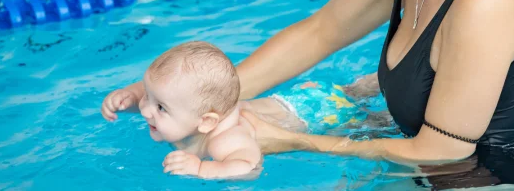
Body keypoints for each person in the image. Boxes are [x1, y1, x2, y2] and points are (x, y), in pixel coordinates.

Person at [234, 0, 514, 187]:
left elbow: (444, 150)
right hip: (416, 167)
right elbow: (319, 32)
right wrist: (213, 96)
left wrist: (289, 141)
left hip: (492, 182)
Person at [99, 41, 385, 178]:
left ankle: (383, 81)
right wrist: (128, 97)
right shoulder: (192, 113)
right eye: (147, 97)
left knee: (376, 120)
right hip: (300, 96)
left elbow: (250, 167)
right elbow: (163, 97)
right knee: (354, 90)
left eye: (160, 107)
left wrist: (203, 168)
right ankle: (376, 80)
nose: (146, 109)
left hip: (321, 112)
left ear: (207, 122)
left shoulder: (227, 139)